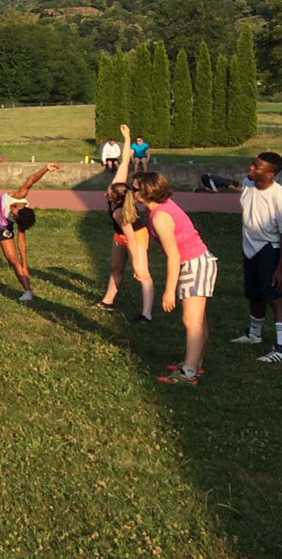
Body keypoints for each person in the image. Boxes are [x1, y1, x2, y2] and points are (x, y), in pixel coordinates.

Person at [127, 172, 216, 385]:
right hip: (197, 261)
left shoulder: (160, 217)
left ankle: (188, 373)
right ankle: (195, 363)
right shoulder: (161, 207)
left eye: (136, 189)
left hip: (194, 264)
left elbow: (174, 255)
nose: (133, 192)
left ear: (148, 192)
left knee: (191, 321)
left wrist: (169, 291)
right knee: (198, 319)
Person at [230, 152, 282, 363]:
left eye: (257, 167)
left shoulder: (280, 197)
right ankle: (254, 335)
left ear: (270, 174)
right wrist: (244, 249)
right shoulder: (248, 184)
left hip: (269, 249)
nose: (250, 169)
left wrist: (280, 269)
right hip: (251, 249)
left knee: (275, 298)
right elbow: (248, 218)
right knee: (254, 294)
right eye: (252, 164)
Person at [95, 125, 155, 323]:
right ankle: (107, 301)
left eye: (109, 194)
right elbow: (124, 164)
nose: (106, 193)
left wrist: (137, 261)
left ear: (116, 198)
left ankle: (146, 314)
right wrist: (127, 138)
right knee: (115, 268)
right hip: (120, 235)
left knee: (142, 274)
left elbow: (131, 237)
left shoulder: (120, 212)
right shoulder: (118, 188)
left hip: (136, 236)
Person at [0, 163, 58, 302]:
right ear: (20, 208)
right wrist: (46, 169)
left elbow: (21, 243)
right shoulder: (19, 196)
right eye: (15, 214)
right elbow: (31, 180)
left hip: (3, 229)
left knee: (13, 260)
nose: (12, 214)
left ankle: (28, 292)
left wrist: (24, 265)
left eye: (15, 218)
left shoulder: (21, 221)